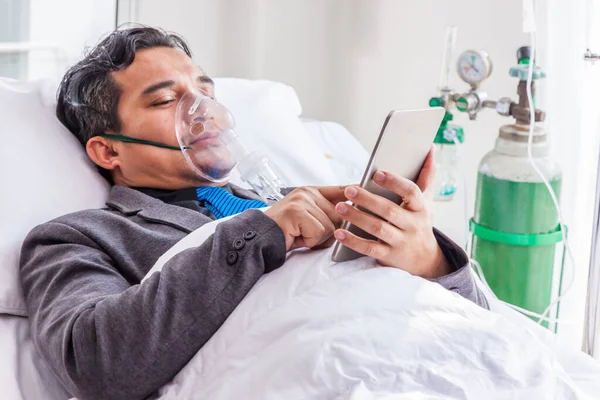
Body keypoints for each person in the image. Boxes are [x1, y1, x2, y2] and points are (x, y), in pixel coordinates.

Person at [20, 26, 487, 400]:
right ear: (107, 151)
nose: (203, 112)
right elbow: (99, 366)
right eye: (165, 100)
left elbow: (482, 324)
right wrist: (262, 231)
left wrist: (427, 259)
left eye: (205, 91)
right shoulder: (78, 237)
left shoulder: (303, 200)